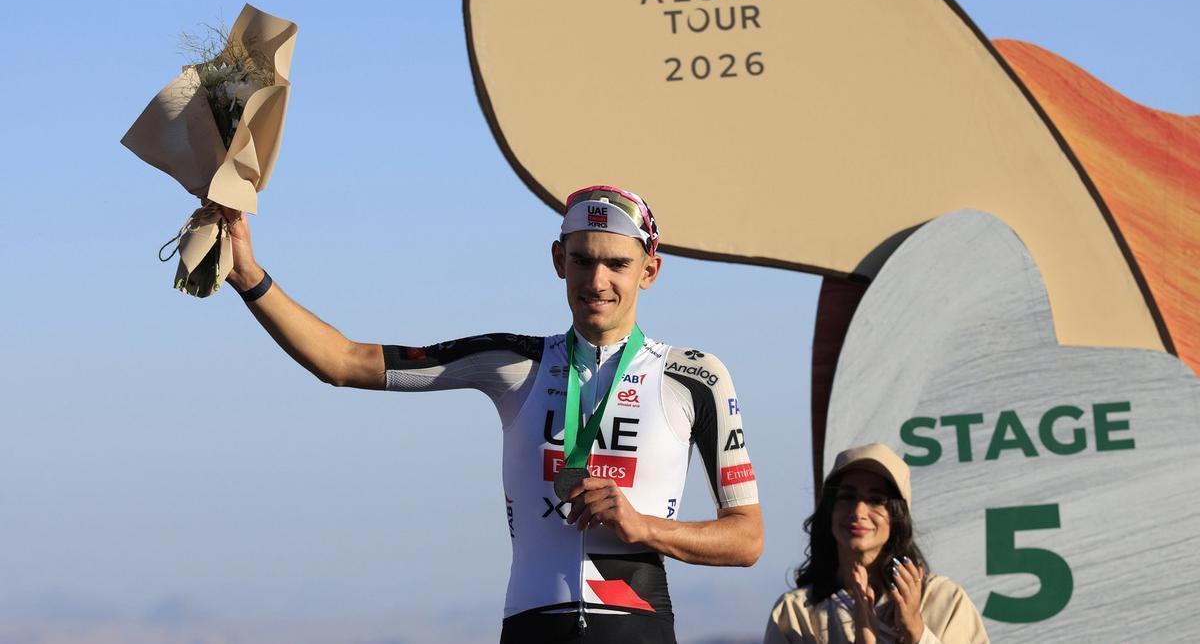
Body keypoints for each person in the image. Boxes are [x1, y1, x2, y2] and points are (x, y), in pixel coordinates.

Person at [221, 185, 763, 644]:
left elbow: (747, 540)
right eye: (582, 260)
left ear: (650, 270)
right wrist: (249, 276)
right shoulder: (512, 362)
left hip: (637, 625)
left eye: (617, 263)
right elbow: (343, 362)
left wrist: (644, 526)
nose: (598, 281)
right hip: (532, 628)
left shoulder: (696, 376)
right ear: (558, 261)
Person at [763, 443, 987, 644]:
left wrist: (915, 631)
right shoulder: (794, 613)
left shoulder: (944, 601)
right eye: (847, 497)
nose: (859, 511)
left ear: (898, 516)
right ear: (829, 510)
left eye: (876, 500)